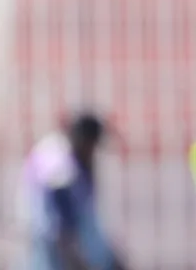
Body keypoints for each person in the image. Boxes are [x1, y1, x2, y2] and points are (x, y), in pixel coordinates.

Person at [20, 113, 130, 270]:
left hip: (65, 233)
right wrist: (69, 246)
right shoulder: (57, 156)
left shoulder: (77, 161)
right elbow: (58, 207)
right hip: (51, 235)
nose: (92, 151)